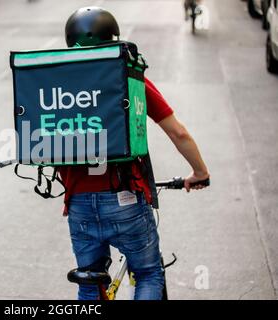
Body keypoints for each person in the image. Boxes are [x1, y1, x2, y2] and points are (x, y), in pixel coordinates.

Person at [60, 7, 210, 300]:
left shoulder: (54, 81)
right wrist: (200, 172)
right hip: (124, 198)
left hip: (78, 203)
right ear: (113, 38)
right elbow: (177, 132)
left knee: (90, 284)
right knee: (148, 274)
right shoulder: (127, 77)